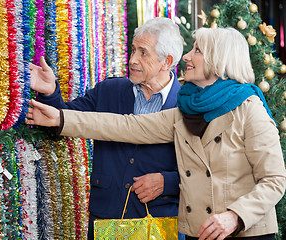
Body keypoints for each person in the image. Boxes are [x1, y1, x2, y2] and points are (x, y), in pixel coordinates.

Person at [26, 27, 286, 240]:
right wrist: (60, 117)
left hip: (242, 232)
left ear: (218, 60)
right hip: (199, 231)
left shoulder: (249, 109)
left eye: (196, 50)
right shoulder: (186, 108)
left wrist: (235, 216)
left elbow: (274, 180)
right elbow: (125, 126)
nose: (186, 56)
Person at [30, 17, 185, 239]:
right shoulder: (109, 90)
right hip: (106, 219)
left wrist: (167, 182)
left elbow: (204, 172)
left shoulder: (186, 104)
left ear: (166, 61)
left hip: (159, 223)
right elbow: (61, 121)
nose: (132, 60)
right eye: (133, 50)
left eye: (143, 53)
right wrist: (49, 92)